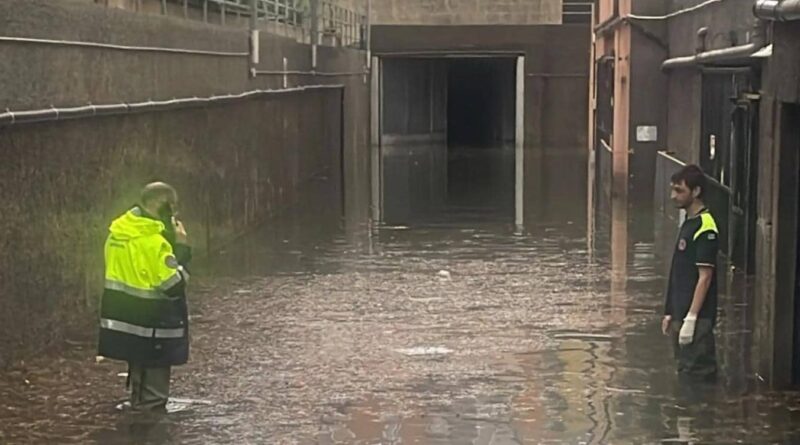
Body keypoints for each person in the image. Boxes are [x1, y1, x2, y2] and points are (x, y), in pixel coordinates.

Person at [98, 182, 191, 410]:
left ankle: (134, 426)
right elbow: (173, 285)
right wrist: (181, 249)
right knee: (154, 398)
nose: (176, 214)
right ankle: (151, 434)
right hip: (153, 323)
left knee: (138, 380)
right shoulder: (153, 243)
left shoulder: (117, 233)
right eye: (173, 208)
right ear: (164, 206)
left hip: (125, 320)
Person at [662, 165, 719, 379]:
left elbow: (705, 277)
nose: (673, 196)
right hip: (681, 313)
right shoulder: (688, 223)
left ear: (696, 192)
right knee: (684, 374)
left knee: (698, 377)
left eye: (679, 191)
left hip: (697, 319)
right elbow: (678, 271)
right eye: (673, 190)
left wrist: (692, 318)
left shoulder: (705, 226)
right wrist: (670, 311)